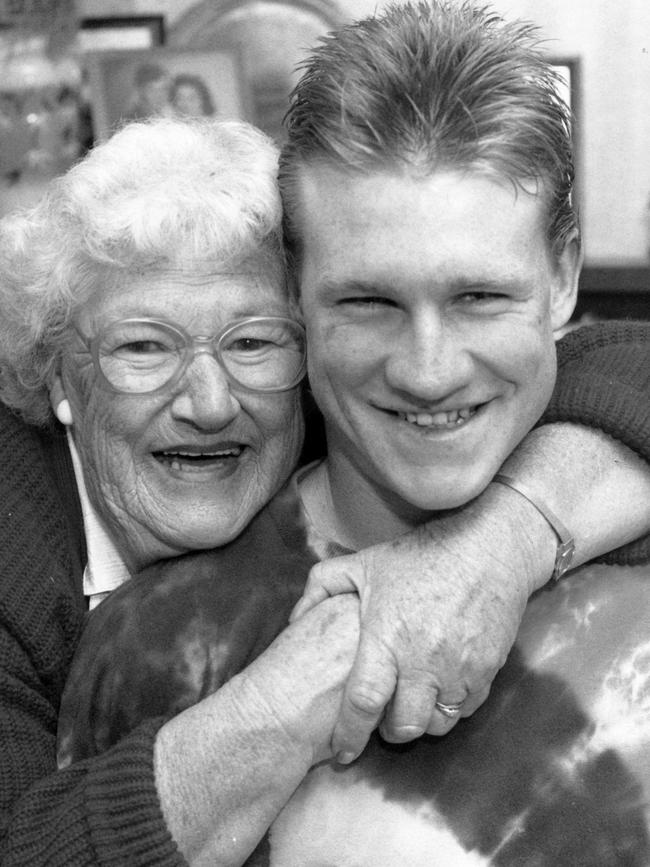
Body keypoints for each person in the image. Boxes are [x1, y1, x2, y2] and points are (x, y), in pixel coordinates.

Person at [54, 4, 650, 864]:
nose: (428, 368)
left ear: (562, 276)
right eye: (367, 302)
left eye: (480, 296)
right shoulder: (158, 647)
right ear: (295, 293)